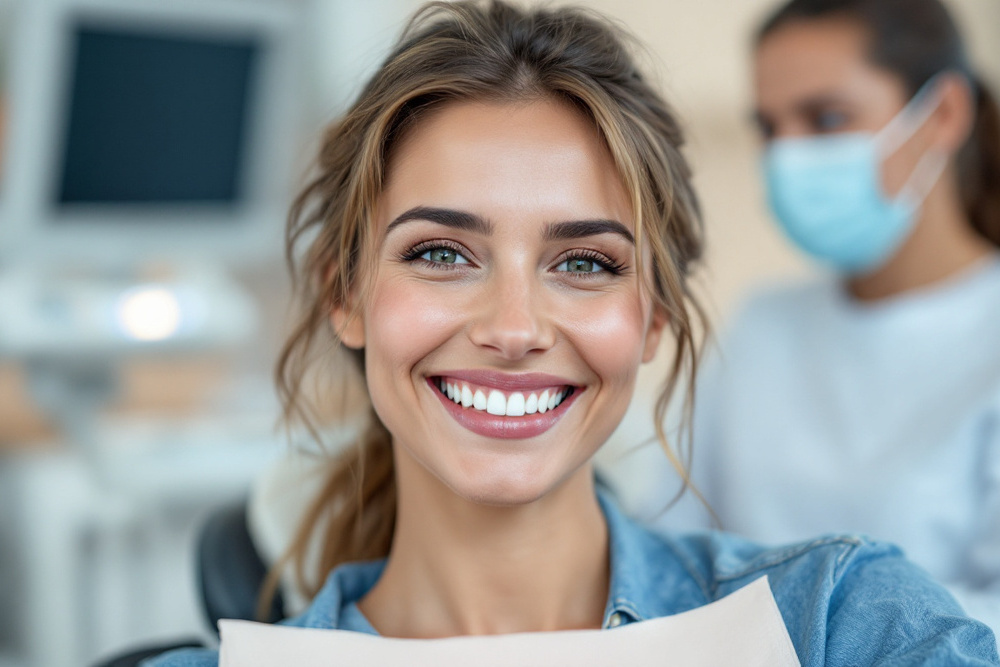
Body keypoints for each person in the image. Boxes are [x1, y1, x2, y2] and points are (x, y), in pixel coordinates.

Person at [147, 1, 998, 664]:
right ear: (346, 296)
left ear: (654, 314)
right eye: (442, 253)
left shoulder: (840, 621)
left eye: (586, 263)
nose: (513, 328)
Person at [662, 0, 1000, 635]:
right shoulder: (760, 327)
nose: (787, 156)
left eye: (826, 118)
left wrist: (816, 617)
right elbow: (661, 545)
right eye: (768, 126)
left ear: (944, 114)